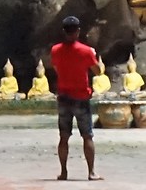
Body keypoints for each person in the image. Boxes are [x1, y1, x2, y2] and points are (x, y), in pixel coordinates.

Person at [48, 15, 101, 182]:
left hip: (63, 96)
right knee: (87, 135)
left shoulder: (55, 50)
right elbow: (98, 72)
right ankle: (91, 172)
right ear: (78, 31)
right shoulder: (86, 51)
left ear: (64, 31)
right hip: (81, 96)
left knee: (64, 136)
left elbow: (56, 68)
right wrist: (94, 55)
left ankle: (63, 172)